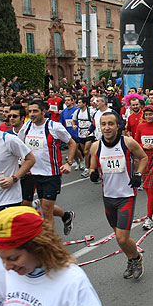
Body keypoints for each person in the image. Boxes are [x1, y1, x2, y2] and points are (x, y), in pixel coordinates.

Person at [89, 111, 148, 279]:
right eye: (103, 124)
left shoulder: (127, 143)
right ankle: (131, 259)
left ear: (117, 126)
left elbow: (143, 158)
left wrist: (138, 175)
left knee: (122, 238)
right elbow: (93, 167)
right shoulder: (96, 146)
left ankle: (136, 258)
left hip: (126, 195)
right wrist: (93, 172)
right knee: (118, 236)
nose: (107, 128)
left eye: (110, 124)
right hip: (108, 197)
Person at [18, 100, 77, 234]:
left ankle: (50, 244)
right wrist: (23, 163)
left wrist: (69, 163)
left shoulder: (54, 127)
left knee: (46, 209)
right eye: (30, 111)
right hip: (33, 173)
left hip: (51, 174)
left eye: (35, 111)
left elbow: (72, 143)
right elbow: (20, 146)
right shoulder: (26, 126)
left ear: (43, 112)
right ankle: (66, 216)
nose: (31, 114)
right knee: (42, 205)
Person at [59, 95, 84, 171]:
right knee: (72, 150)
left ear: (72, 101)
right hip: (68, 134)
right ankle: (77, 162)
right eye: (65, 100)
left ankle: (82, 160)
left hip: (76, 133)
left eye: (69, 100)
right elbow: (61, 123)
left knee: (75, 149)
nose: (67, 102)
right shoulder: (63, 112)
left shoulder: (77, 110)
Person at [73, 96, 95, 178]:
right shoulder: (77, 112)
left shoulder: (91, 111)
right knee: (84, 151)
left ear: (84, 103)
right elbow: (73, 120)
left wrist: (91, 130)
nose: (78, 104)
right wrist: (74, 125)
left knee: (86, 151)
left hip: (89, 133)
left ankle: (87, 168)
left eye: (79, 102)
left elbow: (95, 121)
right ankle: (90, 163)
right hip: (80, 133)